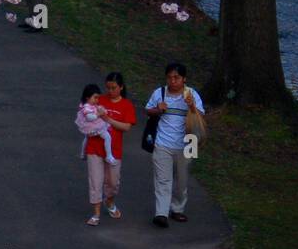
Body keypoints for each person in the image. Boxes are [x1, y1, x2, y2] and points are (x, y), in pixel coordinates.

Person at [144, 61, 206, 229]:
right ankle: (161, 213)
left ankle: (177, 208)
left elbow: (201, 116)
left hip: (188, 142)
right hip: (162, 142)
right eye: (170, 77)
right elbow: (147, 110)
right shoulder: (160, 93)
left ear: (184, 79)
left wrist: (191, 105)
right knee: (163, 180)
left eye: (176, 77)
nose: (173, 81)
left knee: (182, 180)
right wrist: (158, 109)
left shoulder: (191, 94)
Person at [82, 72, 136, 226]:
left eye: (113, 88)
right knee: (95, 181)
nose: (110, 91)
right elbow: (86, 110)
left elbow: (126, 127)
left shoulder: (126, 105)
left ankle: (110, 201)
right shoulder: (100, 100)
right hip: (95, 147)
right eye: (108, 88)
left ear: (121, 87)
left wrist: (108, 119)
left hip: (113, 150)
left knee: (112, 182)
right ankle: (96, 214)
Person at [76, 85, 118, 165]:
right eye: (95, 97)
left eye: (98, 98)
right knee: (107, 136)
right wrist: (98, 114)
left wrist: (101, 111)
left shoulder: (91, 105)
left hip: (91, 126)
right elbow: (89, 117)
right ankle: (109, 156)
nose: (97, 100)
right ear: (87, 98)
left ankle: (82, 153)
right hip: (94, 126)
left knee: (87, 137)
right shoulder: (86, 107)